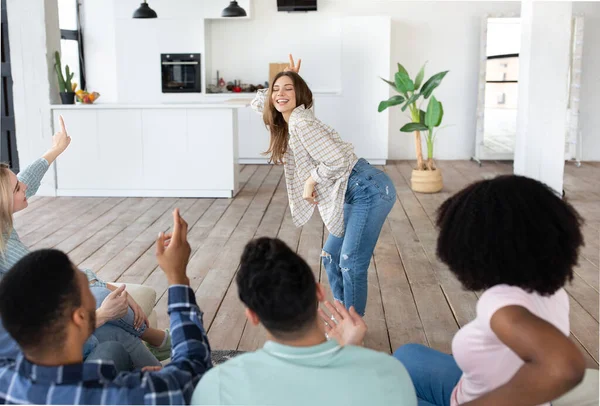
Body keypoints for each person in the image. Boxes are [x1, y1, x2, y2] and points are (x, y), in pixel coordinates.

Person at [393, 175, 586, 406]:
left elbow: (564, 366)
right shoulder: (551, 289)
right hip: (469, 388)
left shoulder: (501, 304)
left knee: (364, 394)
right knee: (406, 355)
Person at [0, 116, 169, 366]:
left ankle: (162, 361)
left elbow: (26, 181)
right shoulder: (4, 246)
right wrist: (107, 291)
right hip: (36, 326)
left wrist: (56, 148)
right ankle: (163, 346)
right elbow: (56, 276)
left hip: (40, 304)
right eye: (17, 189)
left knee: (111, 324)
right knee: (101, 297)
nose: (24, 188)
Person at [0, 208, 213, 404]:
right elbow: (194, 375)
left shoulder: (6, 379)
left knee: (113, 346)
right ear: (80, 317)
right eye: (87, 291)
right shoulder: (119, 394)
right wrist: (177, 278)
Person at [250, 55, 396, 316]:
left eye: (289, 89)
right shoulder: (293, 118)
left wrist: (311, 180)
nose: (280, 94)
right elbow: (258, 103)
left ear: (300, 94)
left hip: (369, 190)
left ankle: (352, 326)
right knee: (331, 256)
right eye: (276, 89)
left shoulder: (301, 122)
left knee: (351, 262)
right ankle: (343, 316)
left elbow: (338, 160)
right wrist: (284, 76)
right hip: (353, 189)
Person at [191, 237, 416, 405]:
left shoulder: (217, 386)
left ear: (253, 316)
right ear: (319, 292)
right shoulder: (389, 374)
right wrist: (353, 352)